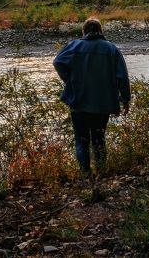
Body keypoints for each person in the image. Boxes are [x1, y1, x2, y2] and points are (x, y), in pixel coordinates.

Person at [52, 17, 131, 176]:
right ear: (100, 31)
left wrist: (68, 79)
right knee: (99, 139)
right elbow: (122, 76)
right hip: (102, 104)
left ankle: (85, 175)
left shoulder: (75, 46)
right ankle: (101, 173)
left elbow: (57, 62)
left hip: (78, 101)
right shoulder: (111, 49)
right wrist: (125, 99)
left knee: (81, 141)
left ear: (84, 31)